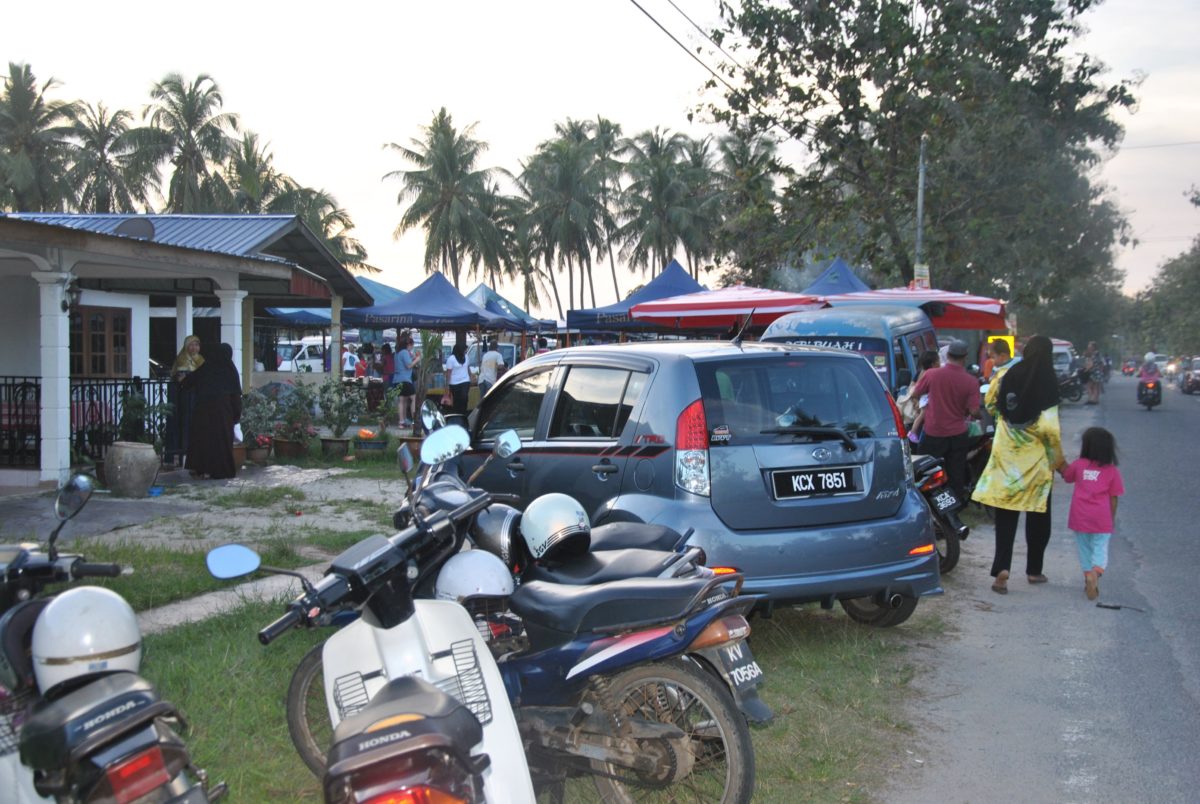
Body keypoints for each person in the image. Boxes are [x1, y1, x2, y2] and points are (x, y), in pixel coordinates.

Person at [972, 335, 1064, 594]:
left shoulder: (1005, 375)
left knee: (1006, 518)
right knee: (1038, 517)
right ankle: (1034, 571)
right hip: (1036, 465)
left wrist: (1005, 416)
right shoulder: (1047, 382)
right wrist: (1061, 462)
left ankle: (1002, 570)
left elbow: (990, 402)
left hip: (1006, 458)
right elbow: (1050, 430)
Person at [1058, 427, 1125, 600]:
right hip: (1101, 517)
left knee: (1084, 547)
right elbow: (1114, 498)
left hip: (1080, 515)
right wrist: (1111, 517)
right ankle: (1096, 572)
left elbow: (1067, 476)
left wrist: (1059, 462)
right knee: (1100, 547)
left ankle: (1087, 574)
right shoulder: (1112, 471)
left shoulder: (1079, 465)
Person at [908, 339, 981, 497]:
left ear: (947, 355)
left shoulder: (932, 374)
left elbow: (915, 393)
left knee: (926, 472)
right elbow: (974, 411)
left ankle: (929, 503)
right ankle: (953, 508)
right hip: (957, 435)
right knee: (956, 475)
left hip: (933, 433)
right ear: (965, 357)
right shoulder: (971, 381)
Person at [180, 342, 242, 479]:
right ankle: (221, 471)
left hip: (203, 411)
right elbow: (235, 397)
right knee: (221, 442)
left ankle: (200, 468)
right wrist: (236, 416)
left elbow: (187, 382)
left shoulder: (206, 368)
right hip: (223, 414)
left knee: (203, 440)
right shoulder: (230, 371)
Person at [167, 335, 204, 467]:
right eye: (191, 345)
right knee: (183, 423)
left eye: (197, 345)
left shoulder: (201, 360)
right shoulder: (182, 359)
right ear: (186, 346)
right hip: (184, 398)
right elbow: (181, 379)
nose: (194, 348)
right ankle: (179, 453)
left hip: (197, 398)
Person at [395, 334, 418, 426]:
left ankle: (402, 421)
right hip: (405, 379)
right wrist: (418, 359)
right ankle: (414, 420)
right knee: (413, 398)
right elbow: (409, 365)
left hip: (397, 379)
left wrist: (413, 357)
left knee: (402, 400)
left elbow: (405, 362)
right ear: (408, 344)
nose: (412, 347)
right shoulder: (404, 352)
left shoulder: (398, 353)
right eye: (412, 345)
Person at [444, 342, 471, 415]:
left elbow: (468, 368)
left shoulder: (466, 357)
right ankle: (457, 414)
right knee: (457, 399)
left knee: (464, 397)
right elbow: (448, 373)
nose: (465, 351)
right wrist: (447, 385)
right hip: (454, 383)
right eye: (464, 349)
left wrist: (471, 377)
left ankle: (463, 413)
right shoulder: (451, 359)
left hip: (465, 381)